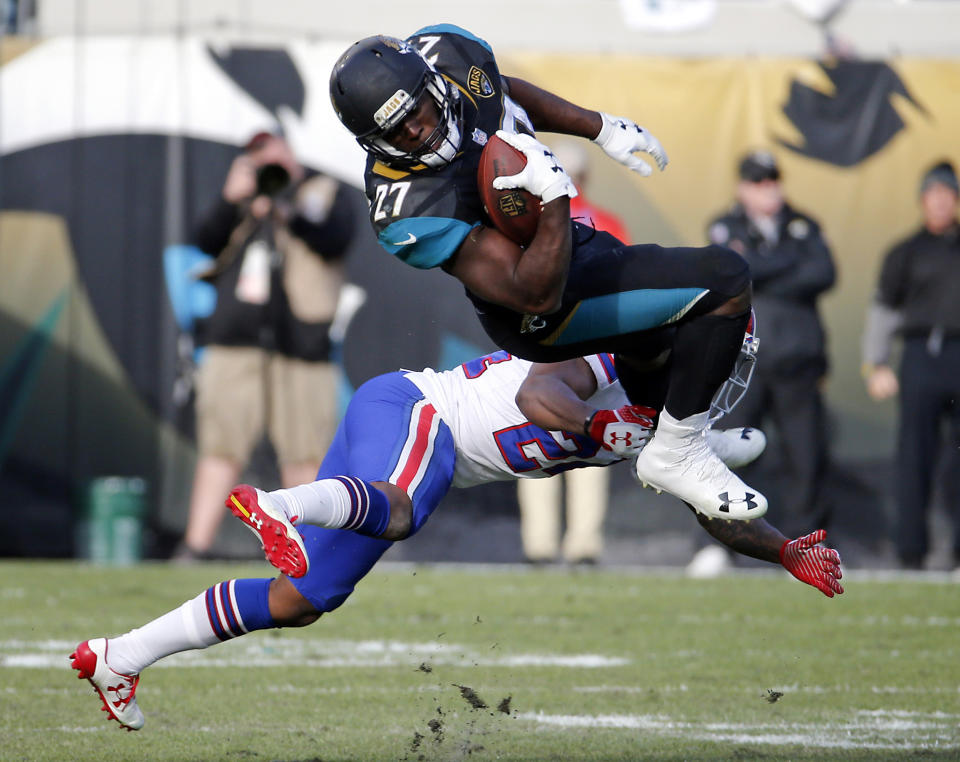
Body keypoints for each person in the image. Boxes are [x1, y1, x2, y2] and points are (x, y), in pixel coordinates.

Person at [70, 349, 842, 730]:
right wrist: (604, 423)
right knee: (402, 508)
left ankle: (120, 655)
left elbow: (714, 508)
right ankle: (278, 502)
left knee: (304, 598)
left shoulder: (677, 423)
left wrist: (784, 552)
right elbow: (545, 392)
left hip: (415, 444)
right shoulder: (621, 349)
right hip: (419, 414)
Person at [327, 26, 767, 523]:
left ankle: (680, 443)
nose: (412, 131)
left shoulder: (449, 53)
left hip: (576, 248)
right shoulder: (407, 206)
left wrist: (599, 127)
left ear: (432, 84)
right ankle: (679, 450)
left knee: (654, 346)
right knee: (727, 282)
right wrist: (556, 198)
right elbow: (534, 294)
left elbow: (501, 91)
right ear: (372, 143)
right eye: (393, 131)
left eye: (416, 111)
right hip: (541, 314)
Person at [173, 131, 355, 560]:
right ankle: (194, 548)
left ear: (291, 154)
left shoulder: (322, 190)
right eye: (257, 158)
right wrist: (232, 199)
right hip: (237, 342)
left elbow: (335, 239)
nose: (268, 165)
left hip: (302, 347)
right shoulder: (242, 201)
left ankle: (312, 549)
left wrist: (284, 208)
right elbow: (204, 241)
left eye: (273, 155)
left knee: (305, 454)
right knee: (221, 447)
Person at [689, 150, 836, 578]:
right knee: (729, 454)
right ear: (742, 188)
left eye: (772, 179)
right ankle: (716, 545)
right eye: (757, 181)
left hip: (797, 360)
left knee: (806, 458)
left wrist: (758, 265)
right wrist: (786, 263)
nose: (767, 188)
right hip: (742, 366)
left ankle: (807, 547)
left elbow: (823, 273)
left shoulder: (802, 224)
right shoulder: (726, 224)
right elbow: (728, 271)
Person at [515, 140, 632, 565]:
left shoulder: (532, 226)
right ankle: (583, 543)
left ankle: (540, 544)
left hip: (543, 341)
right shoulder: (608, 222)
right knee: (589, 434)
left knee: (536, 435)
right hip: (594, 347)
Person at [862, 160, 960, 570]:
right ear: (923, 200)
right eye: (932, 194)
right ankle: (911, 551)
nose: (939, 202)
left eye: (947, 194)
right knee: (914, 457)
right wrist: (875, 363)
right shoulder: (905, 252)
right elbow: (883, 309)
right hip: (921, 356)